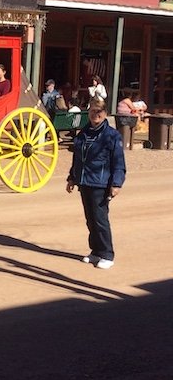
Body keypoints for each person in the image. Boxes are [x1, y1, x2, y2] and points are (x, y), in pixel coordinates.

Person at [66, 99, 126, 270]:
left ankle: (107, 253)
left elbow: (118, 162)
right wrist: (72, 177)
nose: (96, 114)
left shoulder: (112, 136)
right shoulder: (83, 134)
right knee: (90, 219)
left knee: (100, 220)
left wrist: (116, 183)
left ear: (105, 113)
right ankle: (96, 251)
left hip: (100, 183)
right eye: (93, 111)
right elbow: (77, 158)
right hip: (85, 181)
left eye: (99, 111)